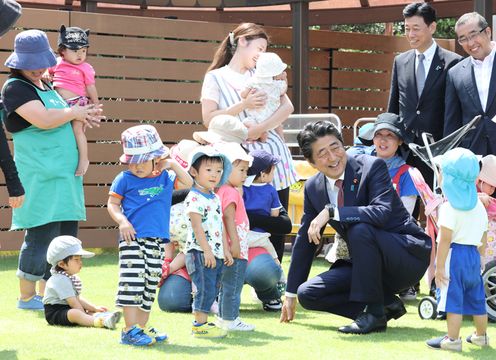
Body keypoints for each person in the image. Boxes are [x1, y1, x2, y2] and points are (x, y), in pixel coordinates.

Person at [281, 120, 431, 334]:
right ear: (311, 162)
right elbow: (306, 241)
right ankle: (384, 304)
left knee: (360, 228)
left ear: (344, 146)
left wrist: (332, 211)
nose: (333, 158)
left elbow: (381, 212)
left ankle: (374, 315)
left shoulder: (372, 166)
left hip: (405, 255)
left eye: (335, 148)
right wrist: (290, 294)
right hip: (366, 265)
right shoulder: (313, 187)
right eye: (322, 154)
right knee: (309, 294)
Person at [1, 29, 103, 311]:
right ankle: (26, 296)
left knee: (66, 234)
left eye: (41, 62)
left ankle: (55, 292)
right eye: (30, 63)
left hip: (65, 174)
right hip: (40, 174)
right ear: (18, 62)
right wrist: (75, 113)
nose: (37, 69)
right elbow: (44, 119)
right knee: (41, 234)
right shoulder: (15, 88)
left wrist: (85, 114)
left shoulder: (47, 83)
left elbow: (69, 113)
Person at [201, 22, 297, 262]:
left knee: (275, 218)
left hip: (273, 158)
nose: (262, 55)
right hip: (237, 162)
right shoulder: (215, 78)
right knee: (239, 218)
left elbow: (287, 107)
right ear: (242, 42)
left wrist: (259, 129)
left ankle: (272, 283)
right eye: (260, 48)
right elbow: (208, 119)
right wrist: (243, 106)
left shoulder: (264, 74)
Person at [107, 125, 193, 346]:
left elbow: (189, 183)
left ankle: (141, 328)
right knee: (132, 283)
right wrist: (122, 221)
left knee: (148, 284)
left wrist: (172, 163)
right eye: (132, 161)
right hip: (132, 240)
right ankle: (129, 330)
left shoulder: (165, 178)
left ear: (156, 158)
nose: (136, 166)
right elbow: (112, 204)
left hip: (156, 241)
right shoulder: (123, 179)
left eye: (143, 160)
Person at [388, 2, 461, 186]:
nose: (411, 34)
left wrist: (447, 150)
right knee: (404, 208)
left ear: (432, 27)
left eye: (416, 28)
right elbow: (394, 106)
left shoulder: (453, 63)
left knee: (437, 208)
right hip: (405, 150)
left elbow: (454, 111)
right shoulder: (400, 61)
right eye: (407, 28)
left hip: (438, 151)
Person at [426, 148, 489, 351]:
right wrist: (480, 257)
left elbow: (444, 240)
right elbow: (483, 234)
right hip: (473, 255)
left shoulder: (448, 207)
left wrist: (439, 267)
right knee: (477, 298)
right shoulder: (479, 206)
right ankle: (481, 337)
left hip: (454, 256)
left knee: (454, 300)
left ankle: (452, 340)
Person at [362, 113, 420, 301]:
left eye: (390, 136)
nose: (383, 140)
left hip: (394, 230)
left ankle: (404, 281)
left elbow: (406, 214)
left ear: (400, 141)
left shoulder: (408, 173)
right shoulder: (359, 165)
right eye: (379, 135)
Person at [184, 145, 232, 338]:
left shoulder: (214, 197)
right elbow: (197, 227)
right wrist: (207, 251)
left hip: (216, 252)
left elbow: (219, 227)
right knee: (204, 288)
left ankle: (203, 323)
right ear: (194, 172)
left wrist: (226, 250)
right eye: (209, 170)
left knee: (213, 287)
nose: (215, 175)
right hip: (199, 252)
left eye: (219, 171)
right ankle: (199, 325)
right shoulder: (194, 197)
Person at [48, 25, 99, 176]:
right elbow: (46, 71)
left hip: (79, 103)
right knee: (58, 129)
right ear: (62, 50)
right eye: (75, 50)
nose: (80, 54)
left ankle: (84, 159)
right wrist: (46, 73)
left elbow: (90, 87)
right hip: (59, 104)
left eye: (83, 50)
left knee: (78, 130)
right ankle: (60, 159)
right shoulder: (57, 63)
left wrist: (95, 105)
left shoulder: (86, 67)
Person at [215, 142, 255, 331]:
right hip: (235, 248)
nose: (245, 175)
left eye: (246, 170)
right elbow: (228, 217)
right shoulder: (230, 191)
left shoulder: (220, 190)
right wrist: (235, 245)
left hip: (227, 247)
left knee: (226, 285)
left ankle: (224, 318)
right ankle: (231, 319)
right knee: (234, 284)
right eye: (241, 170)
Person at [444, 12, 496, 157]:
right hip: (473, 157)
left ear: (488, 32)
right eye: (463, 39)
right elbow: (452, 124)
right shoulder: (455, 73)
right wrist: (450, 159)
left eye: (473, 35)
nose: (470, 43)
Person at [43, 235, 121, 329]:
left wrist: (94, 308)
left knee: (86, 312)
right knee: (76, 313)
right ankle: (101, 322)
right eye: (76, 260)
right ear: (62, 264)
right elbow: (73, 303)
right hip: (55, 312)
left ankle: (104, 317)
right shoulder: (60, 279)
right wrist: (84, 314)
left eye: (80, 259)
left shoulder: (69, 277)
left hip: (68, 308)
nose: (80, 262)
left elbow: (77, 299)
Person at [241, 52, 287, 141]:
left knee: (246, 122)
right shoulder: (277, 84)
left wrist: (246, 95)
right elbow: (283, 92)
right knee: (279, 124)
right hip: (272, 115)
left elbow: (243, 94)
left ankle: (262, 134)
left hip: (256, 115)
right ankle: (282, 140)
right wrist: (284, 79)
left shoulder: (253, 81)